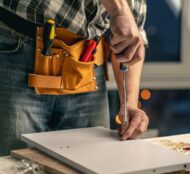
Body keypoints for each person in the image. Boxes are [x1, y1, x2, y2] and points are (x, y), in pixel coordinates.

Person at [0, 0, 149, 156]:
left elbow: (131, 36)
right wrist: (120, 11)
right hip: (19, 52)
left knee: (95, 163)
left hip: (87, 67)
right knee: (17, 166)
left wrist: (130, 104)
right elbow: (124, 16)